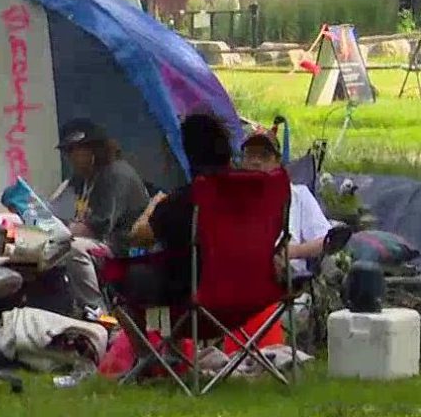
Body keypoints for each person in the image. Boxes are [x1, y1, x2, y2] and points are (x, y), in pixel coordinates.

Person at [125, 112, 236, 307]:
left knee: (133, 274)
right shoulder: (251, 193)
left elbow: (137, 236)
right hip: (250, 291)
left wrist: (153, 204)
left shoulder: (185, 200)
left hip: (197, 296)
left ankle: (156, 328)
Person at [57, 119, 151, 316]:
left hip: (123, 251)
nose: (69, 157)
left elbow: (97, 228)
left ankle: (99, 314)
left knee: (73, 249)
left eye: (73, 150)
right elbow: (57, 211)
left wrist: (58, 228)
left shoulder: (116, 174)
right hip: (97, 244)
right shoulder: (81, 178)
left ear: (93, 149)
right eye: (66, 151)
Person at [240, 130, 333, 275]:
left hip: (289, 276)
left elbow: (326, 240)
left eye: (264, 156)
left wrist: (291, 252)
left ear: (277, 162)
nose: (256, 161)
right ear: (242, 161)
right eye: (250, 155)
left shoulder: (298, 194)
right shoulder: (229, 197)